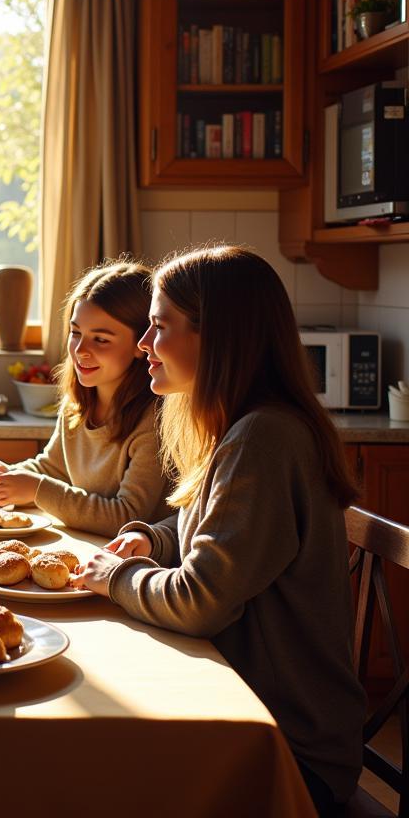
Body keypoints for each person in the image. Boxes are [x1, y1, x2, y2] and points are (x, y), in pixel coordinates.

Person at [70, 245, 364, 815]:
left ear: (219, 337)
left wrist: (117, 575)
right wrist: (156, 540)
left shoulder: (264, 440)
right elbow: (216, 528)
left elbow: (202, 601)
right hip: (256, 718)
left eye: (158, 328)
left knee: (84, 770)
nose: (143, 346)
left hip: (287, 754)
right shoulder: (245, 427)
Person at [0, 259, 170, 536]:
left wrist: (36, 488)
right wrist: (9, 475)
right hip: (85, 544)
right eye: (76, 332)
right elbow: (53, 467)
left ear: (141, 344)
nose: (80, 349)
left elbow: (128, 515)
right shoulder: (77, 404)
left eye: (101, 339)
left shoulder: (154, 418)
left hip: (133, 563)